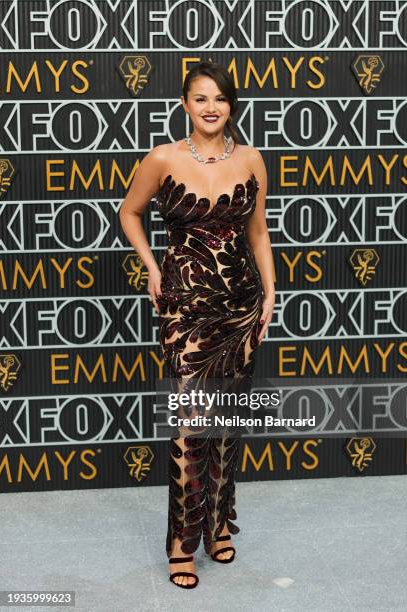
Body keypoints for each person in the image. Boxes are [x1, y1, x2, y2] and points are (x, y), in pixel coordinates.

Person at [119, 61, 275, 589]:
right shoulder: (163, 158)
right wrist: (152, 265)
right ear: (185, 104)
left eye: (221, 98)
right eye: (200, 98)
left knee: (227, 425)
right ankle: (182, 544)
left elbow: (258, 233)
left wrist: (272, 292)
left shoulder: (252, 158)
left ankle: (216, 527)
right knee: (190, 427)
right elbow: (128, 213)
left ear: (231, 106)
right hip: (185, 306)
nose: (211, 107)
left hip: (241, 305)